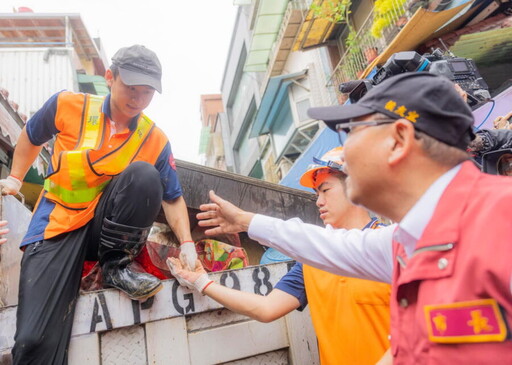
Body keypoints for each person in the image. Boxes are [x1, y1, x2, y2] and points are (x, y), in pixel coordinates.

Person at [196, 73, 512, 364]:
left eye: (350, 131)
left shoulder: (502, 218)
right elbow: (328, 245)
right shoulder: (406, 244)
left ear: (398, 140)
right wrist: (246, 221)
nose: (343, 152)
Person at [0, 45, 197, 365]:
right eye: (130, 88)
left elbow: (172, 197)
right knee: (31, 340)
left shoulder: (154, 139)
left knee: (146, 177)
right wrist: (16, 179)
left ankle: (116, 266)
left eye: (146, 92)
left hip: (103, 232)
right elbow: (32, 134)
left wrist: (187, 242)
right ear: (109, 77)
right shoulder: (68, 105)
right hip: (55, 223)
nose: (137, 98)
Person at [169, 147, 391, 365]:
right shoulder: (311, 261)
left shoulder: (393, 248)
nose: (318, 201)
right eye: (316, 194)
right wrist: (202, 282)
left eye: (325, 190)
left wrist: (245, 220)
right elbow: (267, 309)